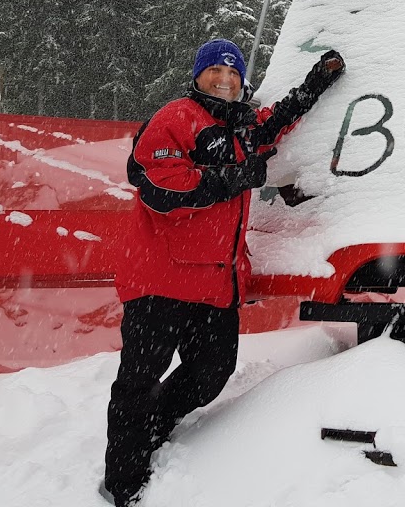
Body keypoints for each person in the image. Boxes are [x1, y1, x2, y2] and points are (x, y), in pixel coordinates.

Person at [102, 38, 345, 506]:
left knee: (211, 371)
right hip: (160, 282)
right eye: (215, 70)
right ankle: (124, 481)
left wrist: (317, 81)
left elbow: (278, 118)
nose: (225, 78)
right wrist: (233, 177)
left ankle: (154, 427)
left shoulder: (243, 126)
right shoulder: (176, 118)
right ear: (197, 76)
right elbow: (159, 187)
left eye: (233, 73)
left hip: (214, 284)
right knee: (138, 381)